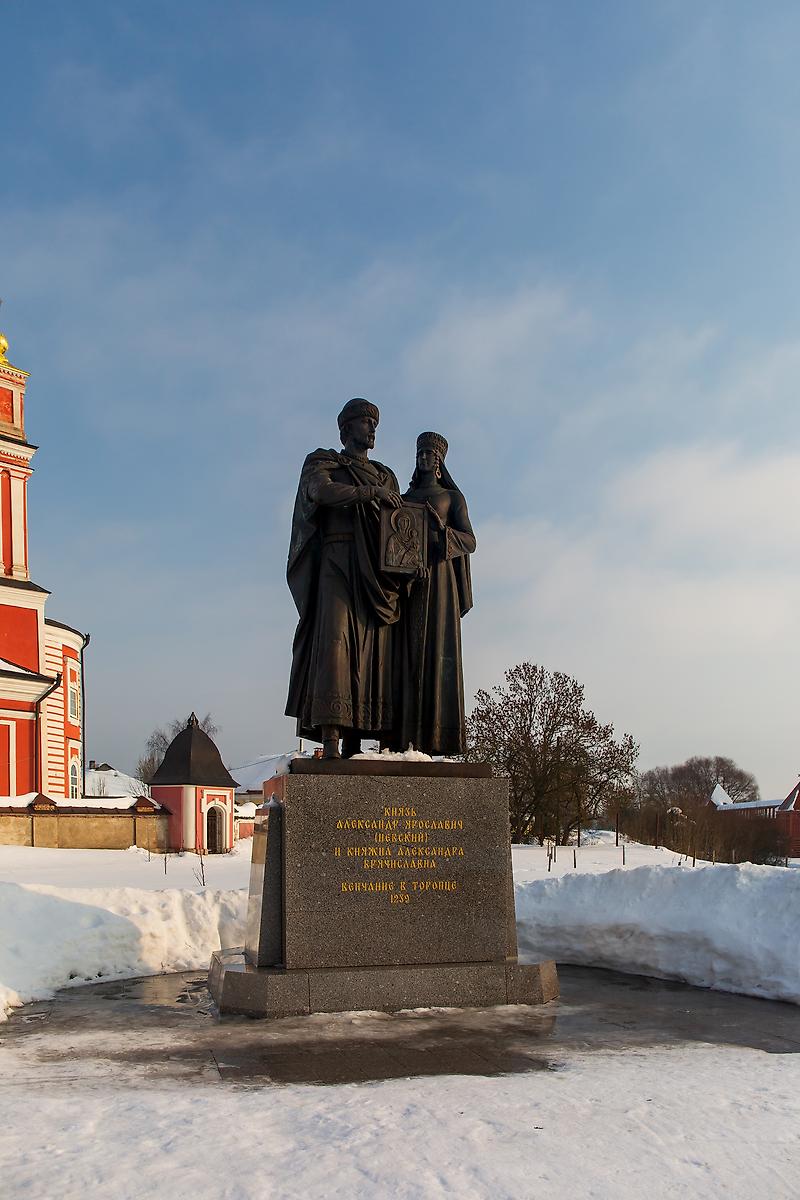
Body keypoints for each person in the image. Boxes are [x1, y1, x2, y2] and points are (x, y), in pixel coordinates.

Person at [285, 398, 402, 759]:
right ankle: (332, 737)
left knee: (371, 653)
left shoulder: (385, 474)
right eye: (365, 422)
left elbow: (401, 525)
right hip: (336, 561)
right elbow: (320, 492)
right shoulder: (324, 463)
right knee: (335, 646)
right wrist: (369, 494)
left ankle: (358, 740)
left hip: (375, 573)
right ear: (346, 428)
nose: (372, 429)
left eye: (374, 424)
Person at [395, 431, 475, 756]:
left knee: (438, 654)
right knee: (406, 656)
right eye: (420, 454)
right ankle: (403, 736)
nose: (424, 459)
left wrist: (442, 533)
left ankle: (438, 736)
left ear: (439, 461)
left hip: (441, 583)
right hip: (409, 583)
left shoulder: (452, 499)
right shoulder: (404, 497)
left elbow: (470, 540)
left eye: (430, 454)